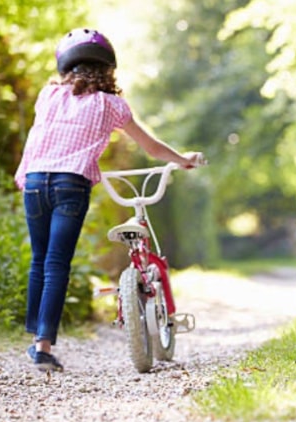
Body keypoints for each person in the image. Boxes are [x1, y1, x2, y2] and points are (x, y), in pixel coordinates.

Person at [15, 28, 202, 372]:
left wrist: (22, 174)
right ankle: (43, 346)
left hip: (35, 181)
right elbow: (152, 147)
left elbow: (35, 138)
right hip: (71, 184)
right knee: (57, 263)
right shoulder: (112, 104)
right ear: (107, 68)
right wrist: (183, 159)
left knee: (38, 261)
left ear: (66, 65)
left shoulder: (48, 95)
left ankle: (36, 342)